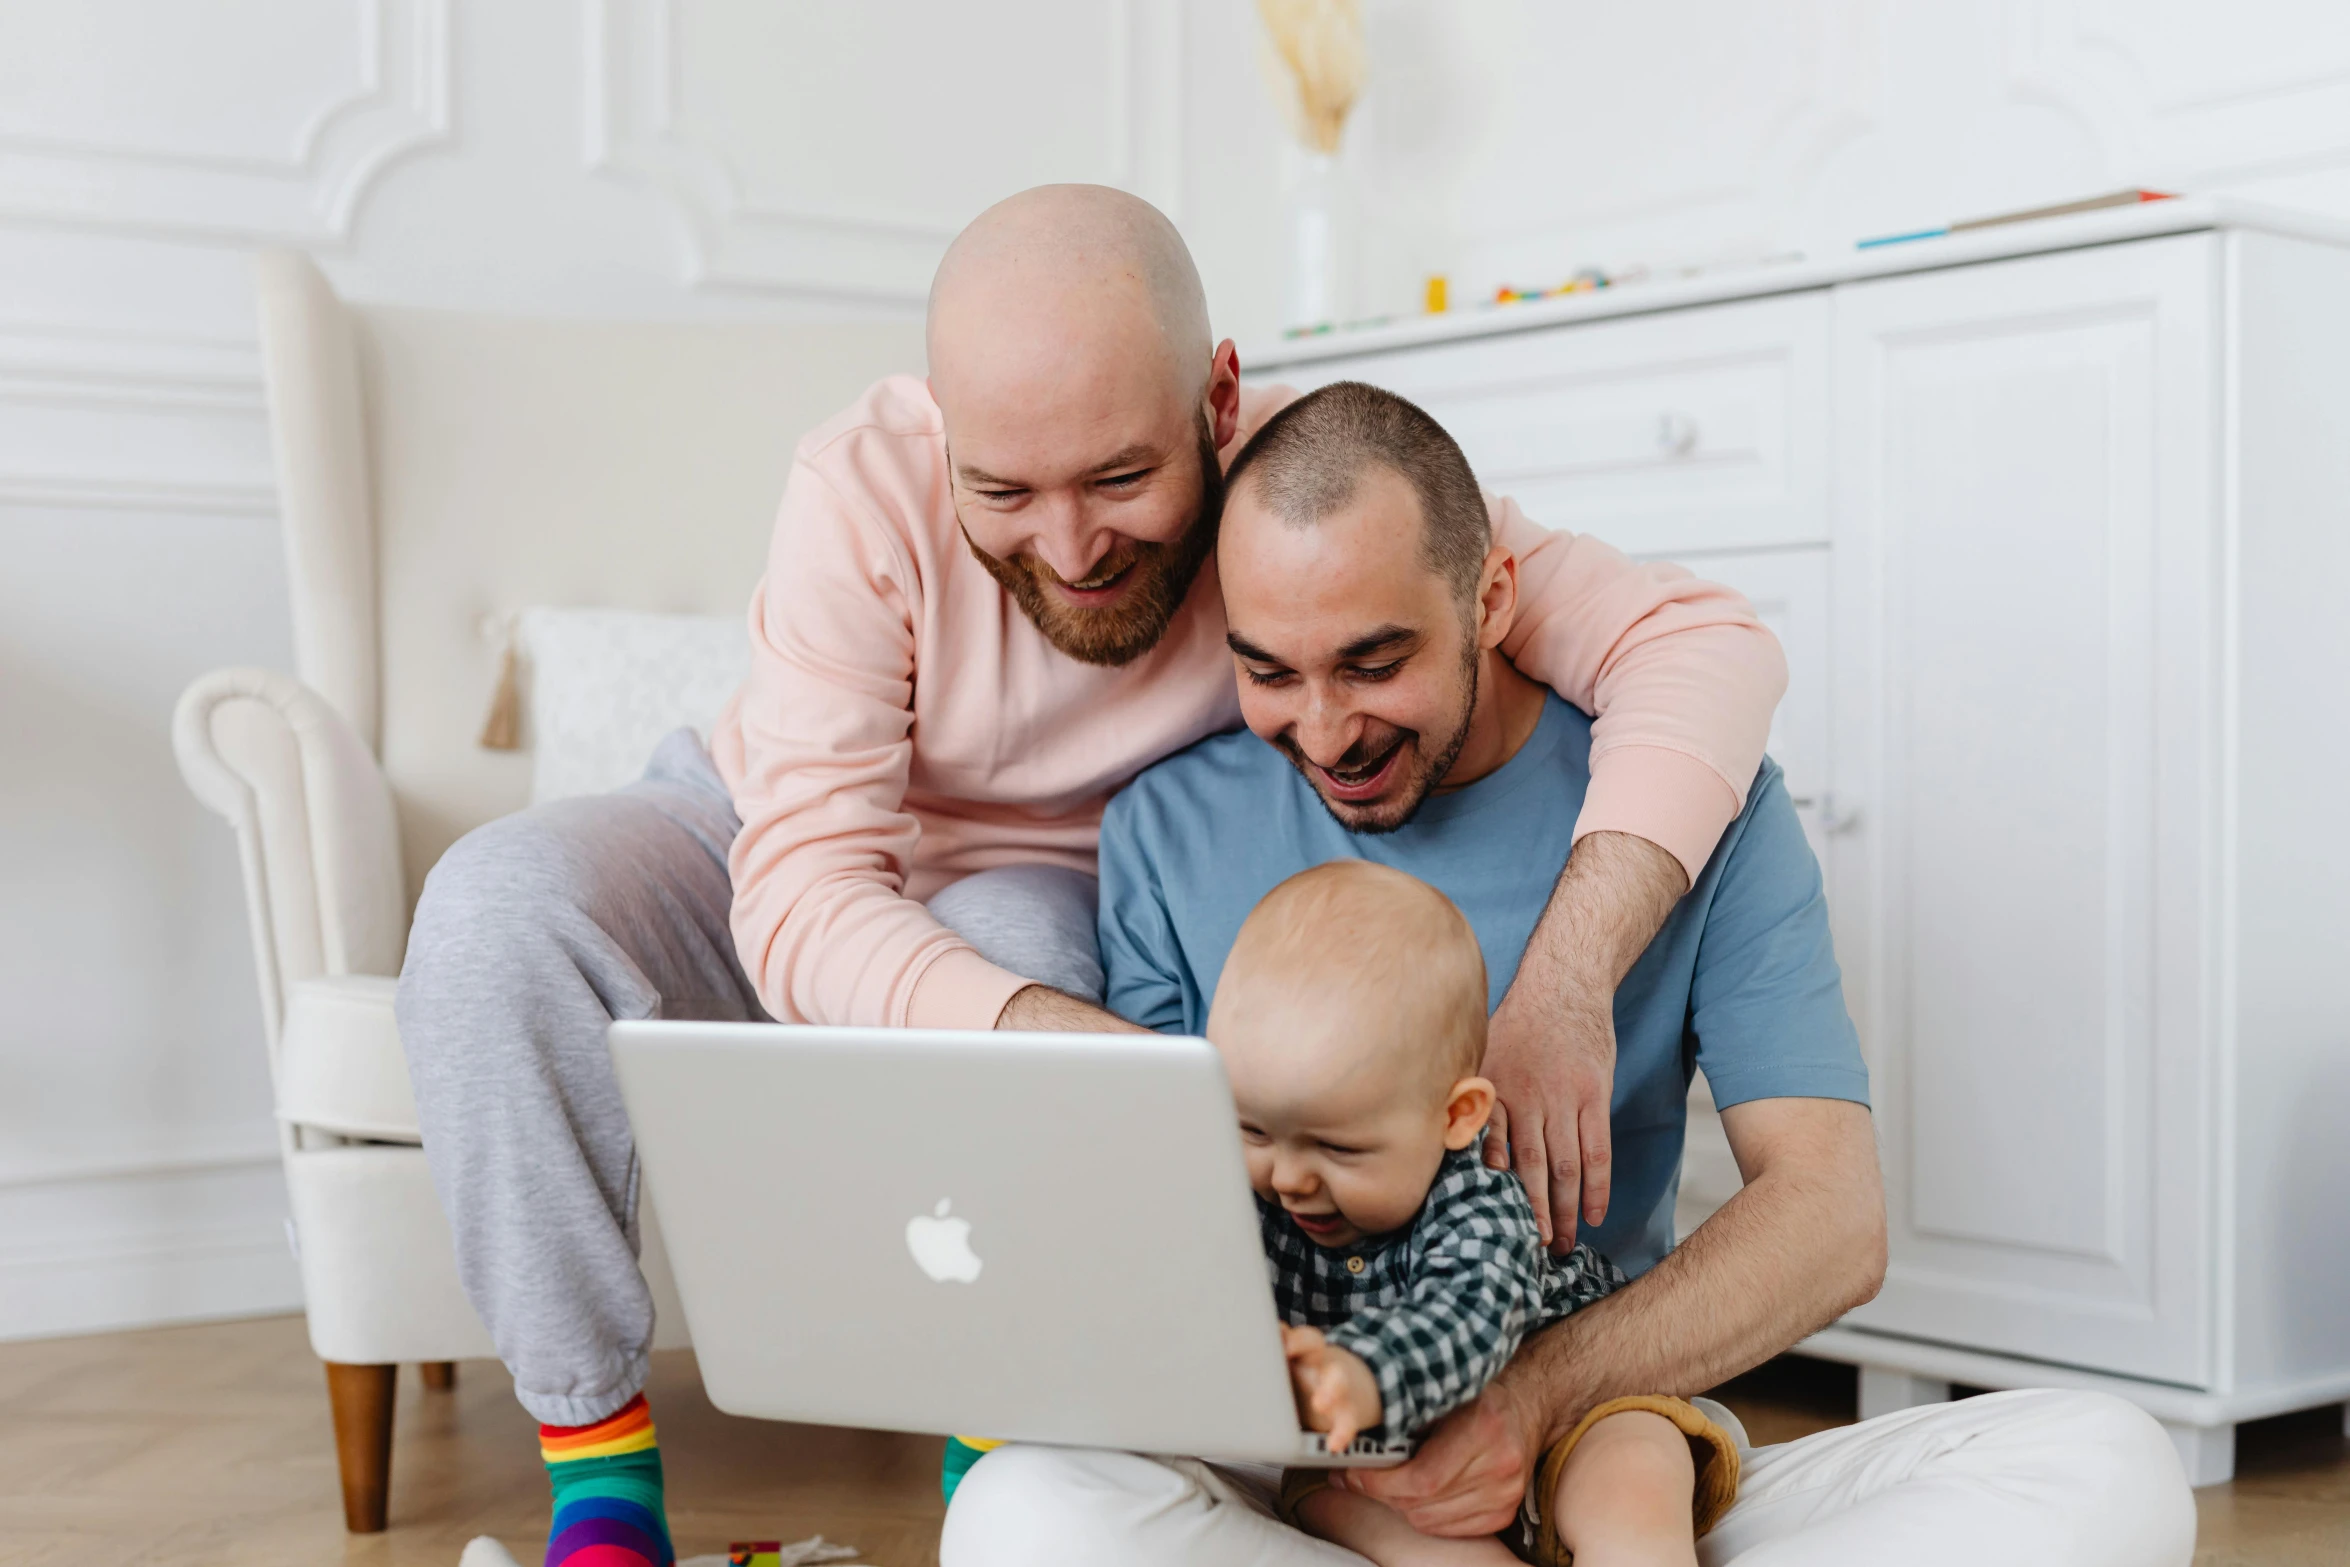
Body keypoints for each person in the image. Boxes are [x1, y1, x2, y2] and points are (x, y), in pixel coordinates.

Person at [395, 186, 1789, 1567]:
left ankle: (997, 1451)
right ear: (943, 436)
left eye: (1121, 481)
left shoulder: (1307, 484)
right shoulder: (859, 482)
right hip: (762, 828)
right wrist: (1092, 1059)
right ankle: (601, 1487)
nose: (1067, 550)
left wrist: (1562, 978)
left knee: (1015, 939)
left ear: (1216, 399)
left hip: (1042, 879)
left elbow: (1705, 644)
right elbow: (806, 885)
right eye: (1001, 491)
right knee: (493, 907)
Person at [937, 382, 2196, 1565]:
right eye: (1269, 671)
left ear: (1490, 600)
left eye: (1375, 663)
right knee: (1022, 1511)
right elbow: (1167, 1218)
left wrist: (1531, 1396)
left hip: (1602, 1427)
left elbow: (1831, 1216)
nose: (1323, 732)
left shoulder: (1688, 806)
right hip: (1310, 1484)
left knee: (2108, 1466)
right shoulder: (1162, 830)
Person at [1220, 860, 1741, 1567]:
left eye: (1338, 1147)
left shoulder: (1480, 1198)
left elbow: (1470, 1314)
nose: (1286, 1176)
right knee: (1325, 1494)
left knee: (1632, 1470)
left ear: (1457, 1116)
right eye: (1252, 1130)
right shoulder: (1256, 1197)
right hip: (1399, 1448)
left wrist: (1362, 1374)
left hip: (1575, 1409)